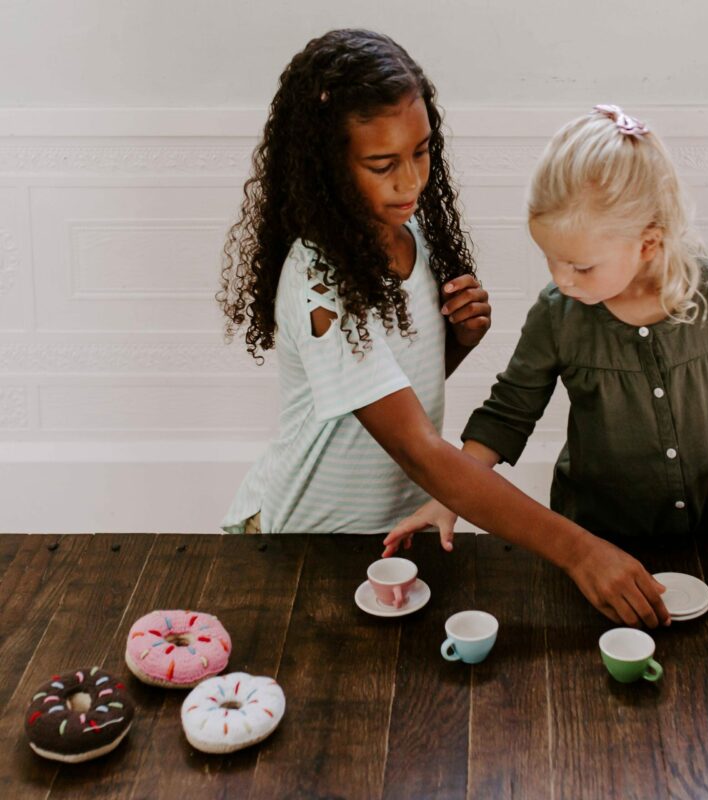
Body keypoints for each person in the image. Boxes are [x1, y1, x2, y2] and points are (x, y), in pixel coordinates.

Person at [219, 35, 670, 628]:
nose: (410, 182)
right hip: (311, 540)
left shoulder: (415, 241)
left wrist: (455, 343)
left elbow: (386, 396)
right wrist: (580, 550)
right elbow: (415, 447)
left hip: (392, 535)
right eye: (382, 165)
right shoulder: (318, 280)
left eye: (422, 152)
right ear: (326, 168)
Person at [384, 105, 708, 571]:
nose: (563, 279)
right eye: (551, 259)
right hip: (599, 533)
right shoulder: (559, 313)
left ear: (647, 243)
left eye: (581, 266)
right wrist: (452, 496)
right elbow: (510, 409)